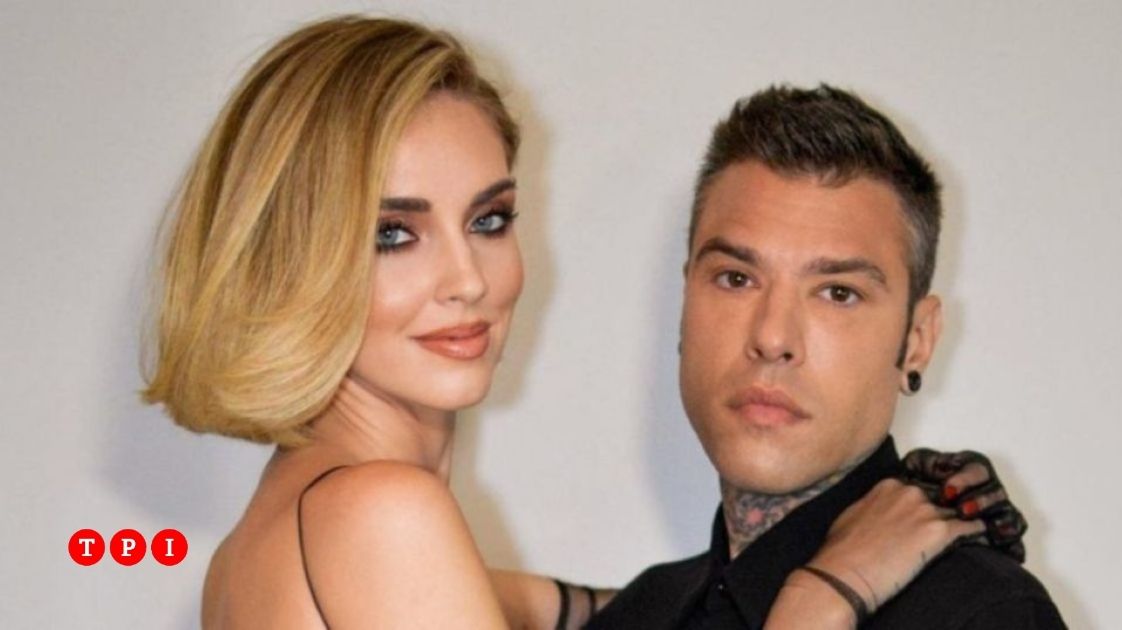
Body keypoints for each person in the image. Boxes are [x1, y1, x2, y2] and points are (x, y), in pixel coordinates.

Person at [141, 16, 1030, 629]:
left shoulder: (259, 547)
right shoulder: (381, 513)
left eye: (489, 220)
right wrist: (820, 596)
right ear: (295, 256)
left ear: (918, 337)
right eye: (393, 234)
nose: (468, 280)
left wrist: (680, 595)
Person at [585, 85, 1067, 629]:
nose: (772, 337)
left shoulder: (982, 615)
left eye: (838, 293)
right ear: (685, 302)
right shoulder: (643, 611)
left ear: (916, 340)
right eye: (736, 279)